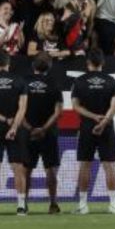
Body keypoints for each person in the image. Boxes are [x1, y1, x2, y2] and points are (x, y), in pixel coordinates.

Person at [71, 48, 115, 215]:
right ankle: (113, 204)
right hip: (106, 127)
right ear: (102, 63)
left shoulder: (79, 81)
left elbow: (76, 106)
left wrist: (93, 117)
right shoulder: (111, 81)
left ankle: (83, 205)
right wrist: (104, 121)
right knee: (109, 165)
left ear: (88, 63)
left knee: (85, 165)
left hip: (87, 127)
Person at [22, 52, 62, 214]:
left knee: (26, 170)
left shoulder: (24, 82)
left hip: (27, 133)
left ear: (33, 66)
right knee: (51, 169)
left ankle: (22, 203)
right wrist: (44, 128)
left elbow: (20, 110)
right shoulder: (53, 83)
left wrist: (31, 129)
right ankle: (53, 204)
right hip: (49, 133)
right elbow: (58, 111)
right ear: (49, 67)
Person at [0, 50, 29, 215]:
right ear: (8, 63)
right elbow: (22, 108)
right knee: (18, 167)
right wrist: (13, 127)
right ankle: (20, 206)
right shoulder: (19, 81)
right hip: (16, 129)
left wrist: (4, 120)